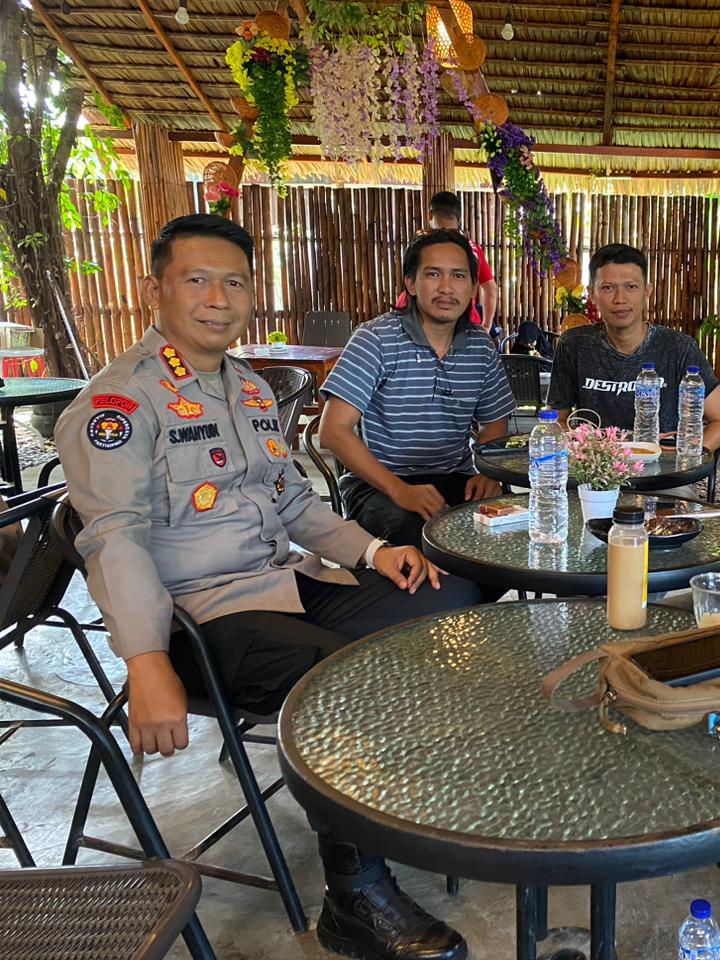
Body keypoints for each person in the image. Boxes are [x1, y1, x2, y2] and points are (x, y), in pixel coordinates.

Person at [54, 214, 477, 960]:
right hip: (198, 623)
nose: (218, 299)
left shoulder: (248, 389)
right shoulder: (118, 403)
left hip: (281, 585)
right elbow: (113, 539)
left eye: (235, 283)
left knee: (453, 596)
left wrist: (375, 551)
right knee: (341, 685)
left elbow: (293, 504)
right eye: (197, 280)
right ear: (155, 289)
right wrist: (146, 663)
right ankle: (355, 900)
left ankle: (401, 782)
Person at [319, 230, 514, 548]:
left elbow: (493, 423)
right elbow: (333, 431)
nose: (446, 288)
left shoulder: (480, 347)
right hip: (379, 484)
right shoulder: (375, 339)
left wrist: (488, 473)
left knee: (511, 533)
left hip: (456, 478)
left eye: (458, 276)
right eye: (433, 274)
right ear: (411, 283)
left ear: (472, 288)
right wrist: (400, 490)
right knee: (422, 540)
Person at [545, 243, 720, 454]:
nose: (620, 299)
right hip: (595, 467)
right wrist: (579, 446)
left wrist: (680, 456)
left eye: (631, 287)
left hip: (661, 471)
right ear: (592, 294)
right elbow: (556, 421)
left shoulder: (678, 348)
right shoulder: (574, 345)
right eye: (608, 288)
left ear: (647, 292)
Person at [428, 190, 498, 331]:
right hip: (467, 326)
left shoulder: (423, 248)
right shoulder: (473, 249)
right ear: (459, 218)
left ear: (430, 215)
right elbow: (491, 289)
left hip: (431, 327)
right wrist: (486, 325)